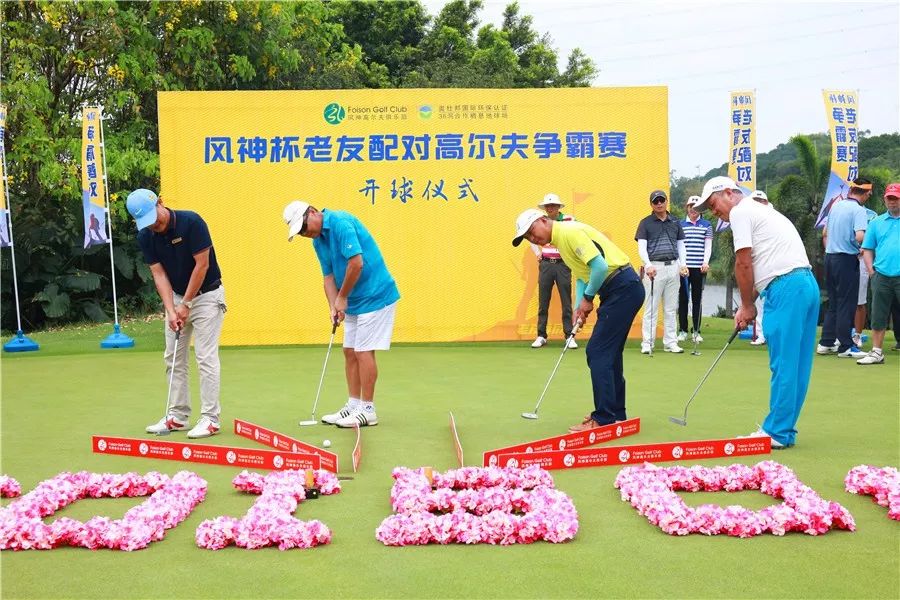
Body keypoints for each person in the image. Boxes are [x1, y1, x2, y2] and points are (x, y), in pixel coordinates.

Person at [692, 176, 818, 449]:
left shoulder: (740, 211)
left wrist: (748, 306)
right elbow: (765, 264)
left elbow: (743, 262)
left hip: (786, 289)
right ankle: (784, 429)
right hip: (806, 285)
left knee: (784, 363)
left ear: (728, 193)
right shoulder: (764, 210)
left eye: (713, 204)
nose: (714, 212)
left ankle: (777, 432)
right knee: (797, 364)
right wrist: (746, 306)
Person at [512, 208, 644, 433]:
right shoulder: (561, 241)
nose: (532, 239)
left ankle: (603, 419)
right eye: (527, 238)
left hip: (622, 286)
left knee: (597, 351)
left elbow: (600, 266)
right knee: (609, 353)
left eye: (532, 232)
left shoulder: (568, 232)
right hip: (621, 289)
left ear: (544, 220)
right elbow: (586, 273)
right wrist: (578, 307)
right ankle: (615, 413)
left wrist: (589, 299)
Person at [284, 201, 399, 427]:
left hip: (376, 295)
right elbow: (328, 277)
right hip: (354, 299)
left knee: (363, 351)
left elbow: (356, 264)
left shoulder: (341, 223)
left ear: (313, 212)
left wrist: (342, 297)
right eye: (300, 232)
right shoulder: (318, 241)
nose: (305, 234)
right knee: (349, 351)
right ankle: (354, 405)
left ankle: (368, 409)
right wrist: (333, 306)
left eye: (304, 227)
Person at [126, 189, 226, 439]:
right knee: (173, 357)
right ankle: (178, 416)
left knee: (205, 356)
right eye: (147, 223)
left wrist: (187, 303)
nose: (154, 225)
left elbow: (202, 265)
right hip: (179, 298)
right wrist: (171, 310)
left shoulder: (192, 222)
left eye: (155, 218)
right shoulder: (146, 236)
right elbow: (159, 274)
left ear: (160, 203)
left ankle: (210, 419)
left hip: (207, 297)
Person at [817, 178, 872, 358]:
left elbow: (825, 233)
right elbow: (860, 236)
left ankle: (826, 342)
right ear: (864, 193)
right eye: (868, 194)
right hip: (846, 259)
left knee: (833, 302)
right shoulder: (859, 210)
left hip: (830, 258)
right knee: (847, 303)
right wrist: (867, 245)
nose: (868, 197)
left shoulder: (836, 206)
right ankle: (846, 347)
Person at [635, 190, 688, 354]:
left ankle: (670, 342)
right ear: (651, 204)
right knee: (651, 307)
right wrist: (648, 264)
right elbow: (642, 247)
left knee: (671, 308)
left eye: (661, 200)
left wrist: (683, 265)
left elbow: (680, 245)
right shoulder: (645, 223)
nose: (659, 204)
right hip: (654, 269)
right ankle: (647, 343)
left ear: (666, 202)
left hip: (673, 267)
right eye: (655, 201)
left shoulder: (675, 222)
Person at [856, 183, 900, 365]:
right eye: (889, 198)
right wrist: (871, 271)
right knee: (878, 314)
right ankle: (876, 352)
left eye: (896, 198)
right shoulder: (876, 222)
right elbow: (867, 248)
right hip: (881, 275)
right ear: (884, 199)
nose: (892, 202)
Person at [529, 193, 576, 349]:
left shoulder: (569, 220)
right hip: (546, 264)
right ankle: (541, 335)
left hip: (563, 264)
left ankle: (569, 336)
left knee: (566, 301)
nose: (550, 208)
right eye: (548, 206)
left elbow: (576, 236)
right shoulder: (541, 221)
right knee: (543, 301)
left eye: (553, 206)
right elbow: (530, 237)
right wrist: (537, 253)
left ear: (558, 207)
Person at [677, 195, 712, 344]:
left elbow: (708, 246)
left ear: (700, 209)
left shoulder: (706, 225)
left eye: (696, 207)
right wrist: (681, 264)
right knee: (683, 300)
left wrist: (705, 262)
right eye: (691, 206)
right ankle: (683, 331)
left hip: (699, 268)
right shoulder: (680, 225)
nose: (693, 209)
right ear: (687, 207)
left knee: (697, 300)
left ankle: (696, 332)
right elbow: (678, 246)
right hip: (684, 268)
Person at [749, 190, 775, 346]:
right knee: (759, 301)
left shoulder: (774, 217)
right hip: (758, 266)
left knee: (773, 303)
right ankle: (760, 334)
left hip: (775, 267)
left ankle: (771, 335)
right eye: (755, 201)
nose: (758, 204)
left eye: (761, 201)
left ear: (766, 203)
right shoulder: (749, 219)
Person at [853, 201, 879, 348]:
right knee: (842, 298)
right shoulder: (841, 211)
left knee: (860, 299)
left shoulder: (872, 215)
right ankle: (841, 334)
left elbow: (874, 239)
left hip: (862, 259)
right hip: (843, 258)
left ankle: (857, 334)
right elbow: (827, 234)